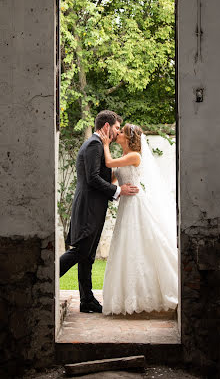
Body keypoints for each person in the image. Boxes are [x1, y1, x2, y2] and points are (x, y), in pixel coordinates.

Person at [60, 111, 139, 313]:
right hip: (88, 209)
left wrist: (121, 178)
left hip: (93, 207)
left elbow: (104, 175)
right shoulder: (94, 145)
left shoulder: (97, 146)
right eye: (115, 128)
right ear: (106, 127)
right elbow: (92, 178)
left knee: (87, 255)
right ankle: (46, 280)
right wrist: (119, 190)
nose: (117, 132)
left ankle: (87, 300)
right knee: (79, 251)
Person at [98, 123, 178, 315]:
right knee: (126, 246)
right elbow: (113, 178)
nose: (117, 134)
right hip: (126, 204)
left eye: (121, 133)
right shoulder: (125, 159)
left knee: (143, 244)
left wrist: (105, 145)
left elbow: (110, 163)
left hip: (136, 204)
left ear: (128, 137)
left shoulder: (134, 156)